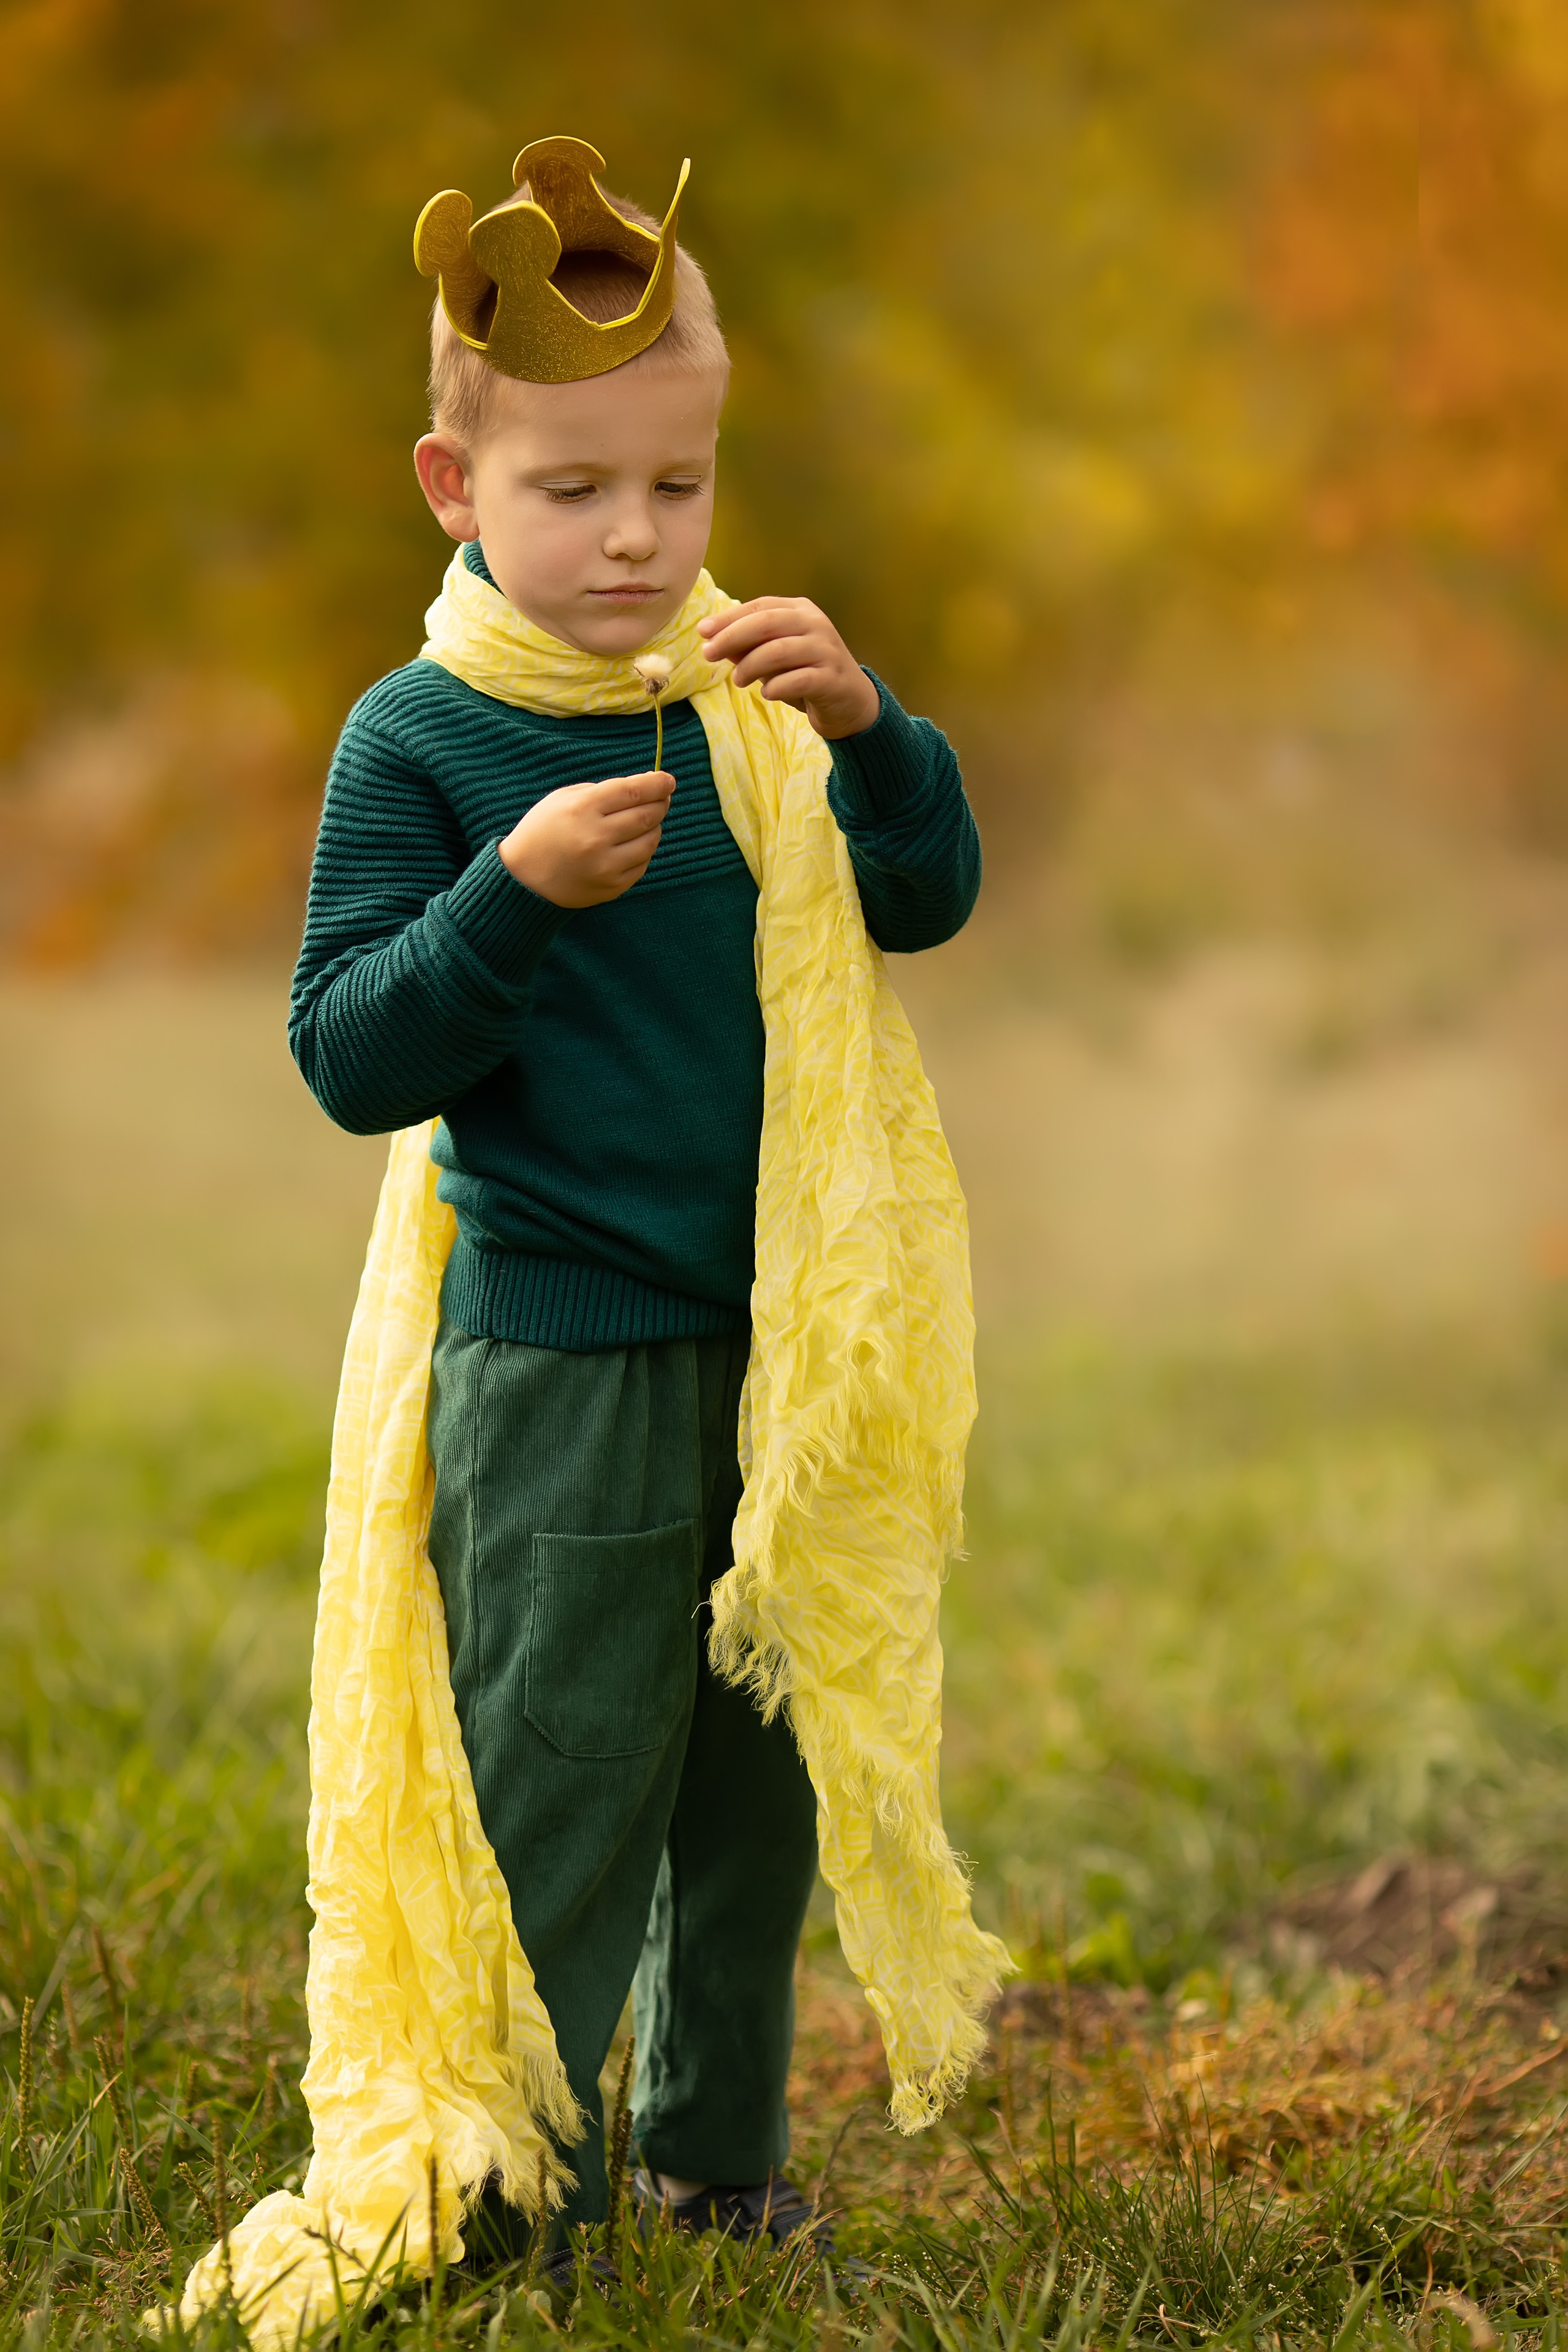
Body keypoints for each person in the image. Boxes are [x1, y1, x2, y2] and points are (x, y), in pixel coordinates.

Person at [277, 136, 998, 2294]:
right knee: (566, 1782)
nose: (634, 538)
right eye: (574, 489)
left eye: (675, 488)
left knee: (753, 1790)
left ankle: (718, 2148)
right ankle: (528, 2173)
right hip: (566, 1362)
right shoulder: (425, 743)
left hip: (777, 1356)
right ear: (452, 487)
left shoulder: (742, 699)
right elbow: (347, 1053)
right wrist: (505, 903)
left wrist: (878, 735)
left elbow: (929, 899)